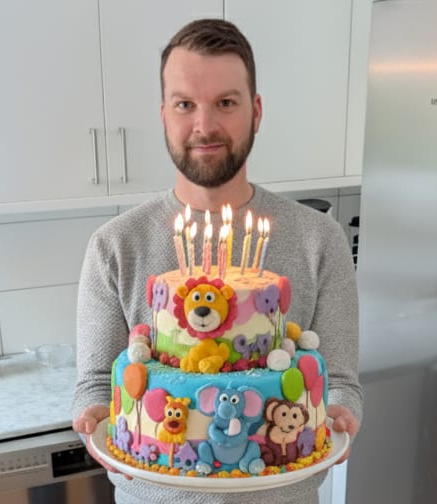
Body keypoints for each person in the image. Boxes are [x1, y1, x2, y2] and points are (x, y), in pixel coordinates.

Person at [72, 18, 362, 504]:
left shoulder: (320, 240)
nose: (204, 125)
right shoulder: (113, 246)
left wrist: (338, 413)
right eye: (185, 104)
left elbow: (341, 381)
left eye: (226, 103)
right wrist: (94, 416)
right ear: (164, 114)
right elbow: (97, 383)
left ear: (257, 111)